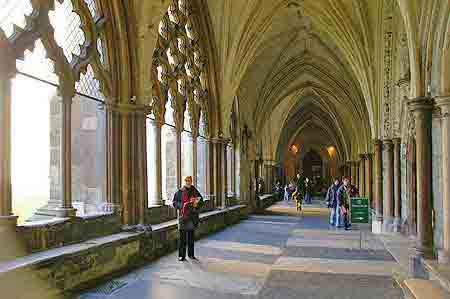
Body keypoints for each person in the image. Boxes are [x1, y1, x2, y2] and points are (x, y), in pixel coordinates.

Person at [173, 176, 204, 261]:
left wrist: (196, 204)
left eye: (189, 181)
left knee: (191, 237)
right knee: (182, 238)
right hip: (183, 217)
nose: (188, 182)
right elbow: (175, 202)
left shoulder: (195, 191)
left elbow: (201, 201)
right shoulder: (179, 192)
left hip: (192, 217)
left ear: (191, 182)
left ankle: (191, 254)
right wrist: (183, 205)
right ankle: (181, 255)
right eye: (186, 181)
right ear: (184, 182)